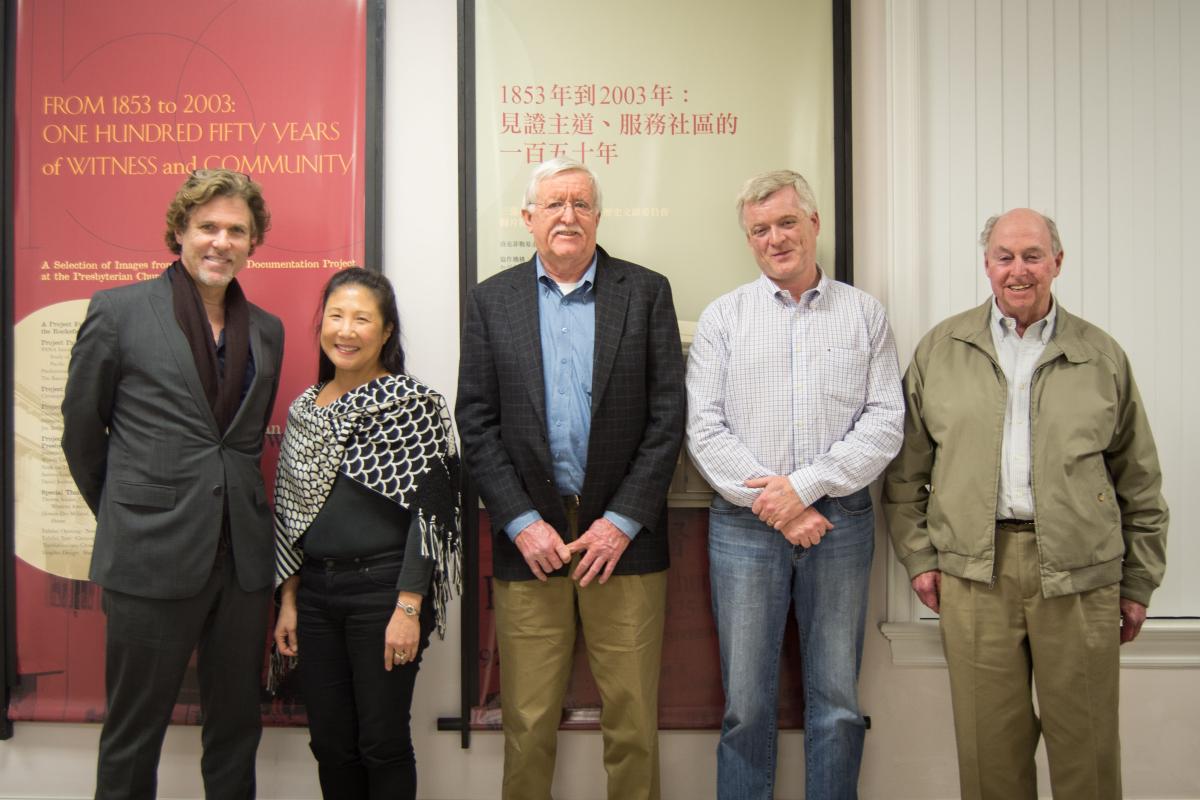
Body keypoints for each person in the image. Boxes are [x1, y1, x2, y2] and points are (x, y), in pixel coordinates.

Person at [883, 208, 1169, 799]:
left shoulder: (1100, 356)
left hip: (1081, 579)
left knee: (1087, 753)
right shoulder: (941, 350)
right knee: (990, 757)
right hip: (974, 577)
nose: (1019, 270)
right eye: (1005, 257)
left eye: (1033, 256)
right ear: (986, 265)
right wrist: (920, 558)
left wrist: (1138, 582)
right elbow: (905, 475)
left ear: (1057, 263)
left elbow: (1138, 480)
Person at [455, 157, 685, 800]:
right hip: (530, 544)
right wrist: (522, 523)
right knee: (527, 721)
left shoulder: (645, 292)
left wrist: (621, 522)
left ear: (599, 217)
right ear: (527, 219)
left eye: (581, 204)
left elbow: (669, 418)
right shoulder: (490, 300)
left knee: (634, 721)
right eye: (553, 204)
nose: (568, 216)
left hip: (626, 543)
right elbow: (474, 422)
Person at [61, 169, 284, 799]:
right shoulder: (118, 310)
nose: (221, 241)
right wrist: (129, 513)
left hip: (241, 560)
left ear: (252, 242)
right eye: (207, 226)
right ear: (179, 232)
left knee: (238, 728)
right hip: (149, 555)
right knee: (135, 733)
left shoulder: (267, 330)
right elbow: (81, 433)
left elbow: (237, 447)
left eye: (236, 230)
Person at [686, 170, 904, 799]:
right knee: (746, 706)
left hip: (840, 523)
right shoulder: (723, 319)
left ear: (813, 224)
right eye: (760, 230)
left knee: (836, 698)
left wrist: (805, 488)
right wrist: (783, 510)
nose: (775, 238)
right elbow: (704, 430)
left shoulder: (864, 315)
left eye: (786, 222)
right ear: (749, 240)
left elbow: (886, 421)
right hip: (744, 529)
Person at [272, 267, 461, 800]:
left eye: (362, 319)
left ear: (386, 332)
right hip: (315, 596)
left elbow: (433, 517)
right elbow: (290, 517)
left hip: (383, 593)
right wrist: (289, 600)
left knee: (382, 743)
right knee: (330, 744)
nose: (346, 330)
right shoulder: (305, 410)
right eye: (335, 316)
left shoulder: (415, 405)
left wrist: (408, 606)